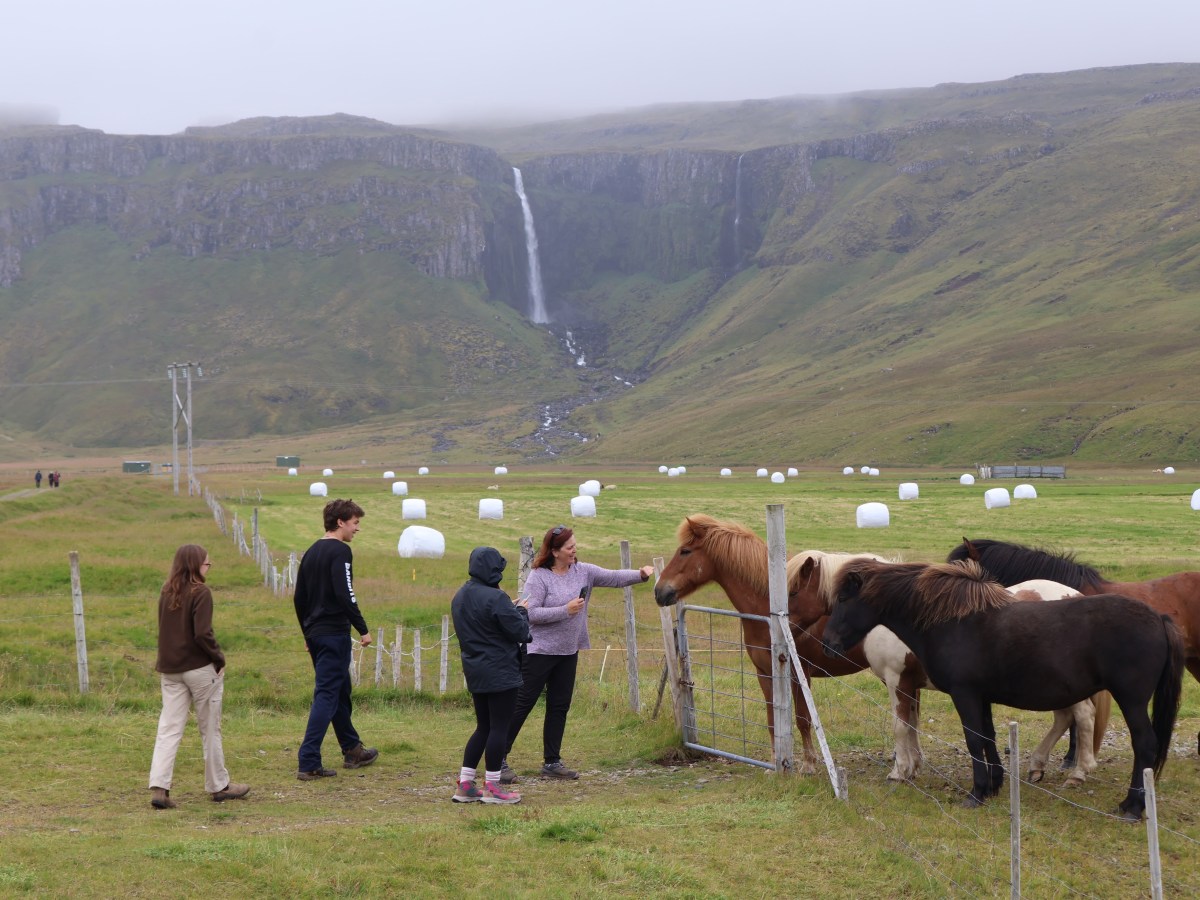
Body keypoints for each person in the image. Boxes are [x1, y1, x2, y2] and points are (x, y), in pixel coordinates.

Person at [503, 524, 654, 781]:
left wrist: (640, 574)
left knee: (559, 706)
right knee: (521, 705)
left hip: (568, 651)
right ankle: (498, 760)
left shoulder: (583, 572)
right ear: (554, 551)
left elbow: (615, 577)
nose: (575, 550)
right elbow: (530, 613)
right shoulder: (538, 576)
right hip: (539, 651)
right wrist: (566, 610)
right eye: (569, 547)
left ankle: (552, 763)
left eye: (575, 545)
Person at [148, 545, 249, 808]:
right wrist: (219, 658)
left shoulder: (166, 591)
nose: (208, 568)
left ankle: (159, 788)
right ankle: (219, 786)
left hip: (170, 669)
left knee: (169, 728)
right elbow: (202, 633)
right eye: (207, 564)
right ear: (195, 565)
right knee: (210, 728)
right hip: (200, 669)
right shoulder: (201, 592)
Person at [293, 498, 378, 780]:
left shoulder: (311, 551)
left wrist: (307, 633)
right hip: (333, 634)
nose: (357, 529)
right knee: (327, 695)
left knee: (340, 691)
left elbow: (299, 598)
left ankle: (352, 748)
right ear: (340, 522)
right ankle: (308, 761)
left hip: (317, 634)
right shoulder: (340, 551)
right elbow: (346, 593)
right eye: (355, 523)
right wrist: (362, 629)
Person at [449, 546, 531, 804]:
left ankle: (465, 785)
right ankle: (493, 787)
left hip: (475, 669)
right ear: (494, 570)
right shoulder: (497, 598)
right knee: (499, 727)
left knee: (483, 726)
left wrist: (508, 608)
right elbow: (520, 632)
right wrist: (521, 611)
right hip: (501, 671)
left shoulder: (460, 595)